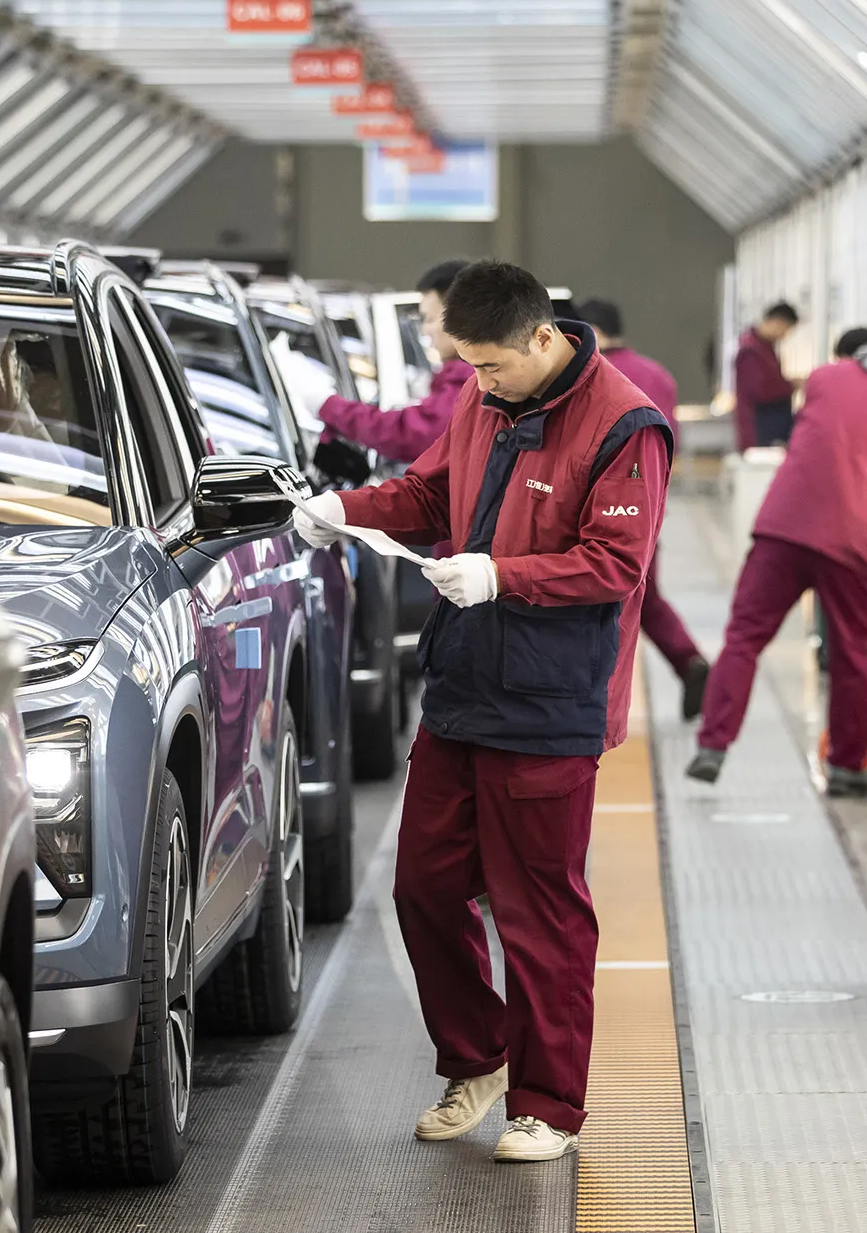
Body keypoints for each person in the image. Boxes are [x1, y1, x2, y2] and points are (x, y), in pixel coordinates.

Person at [294, 263, 671, 1164]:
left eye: (493, 367)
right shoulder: (480, 397)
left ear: (543, 338)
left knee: (537, 910)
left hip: (551, 702)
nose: (480, 382)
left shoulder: (625, 425)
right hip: (462, 688)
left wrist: (506, 574)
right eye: (469, 367)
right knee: (422, 887)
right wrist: (343, 506)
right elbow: (429, 495)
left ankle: (548, 1104)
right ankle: (479, 1057)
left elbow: (616, 561)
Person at [686, 333, 867, 796]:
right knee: (850, 652)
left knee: (744, 637)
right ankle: (847, 766)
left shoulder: (827, 378)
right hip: (852, 540)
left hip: (784, 525)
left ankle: (713, 745)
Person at [579, 297, 710, 718]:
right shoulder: (659, 375)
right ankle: (688, 661)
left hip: (595, 507)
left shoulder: (589, 375)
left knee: (606, 601)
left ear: (593, 332)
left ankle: (600, 700)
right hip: (649, 503)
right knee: (643, 589)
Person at [314, 260, 473, 463]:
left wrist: (328, 405)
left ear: (462, 317)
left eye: (430, 319)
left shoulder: (471, 381)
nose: (425, 330)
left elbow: (412, 434)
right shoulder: (464, 378)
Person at [732, 301, 798, 450]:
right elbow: (760, 391)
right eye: (786, 329)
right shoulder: (751, 351)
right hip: (760, 428)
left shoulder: (765, 348)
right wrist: (790, 385)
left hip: (768, 425)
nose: (785, 336)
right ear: (777, 322)